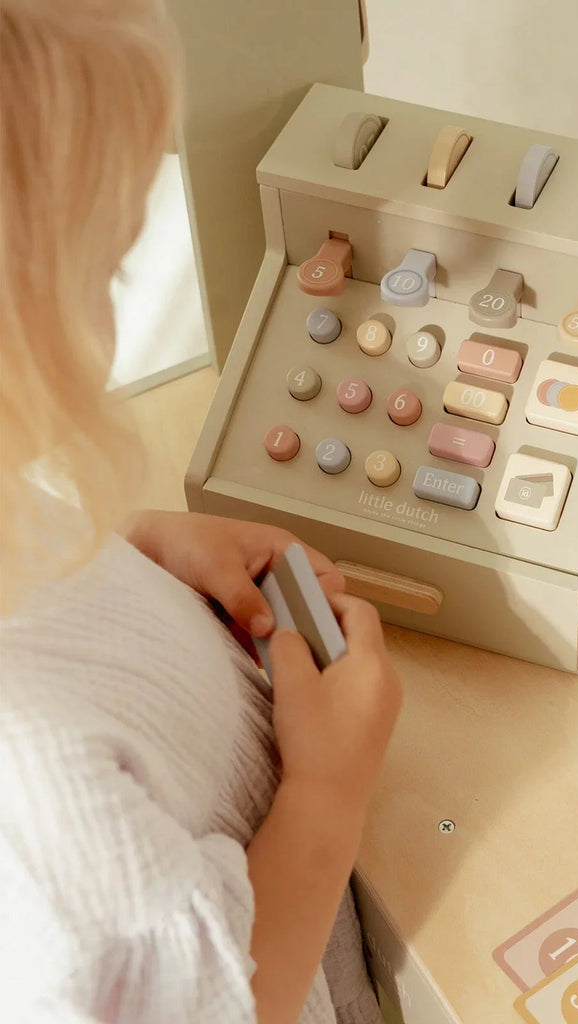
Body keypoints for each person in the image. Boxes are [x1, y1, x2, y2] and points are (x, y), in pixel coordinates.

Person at [0, 2, 403, 1022]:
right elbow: (218, 1002)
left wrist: (133, 545)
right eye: (107, 267)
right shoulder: (36, 804)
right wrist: (327, 794)